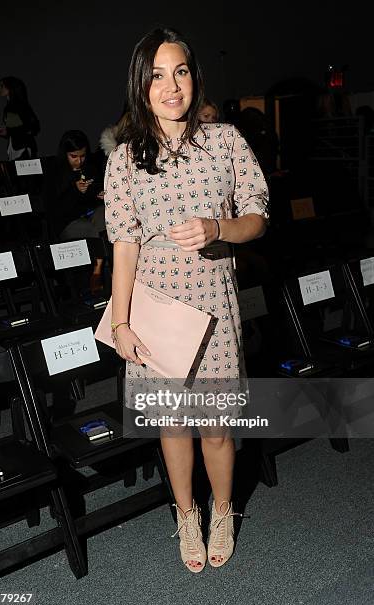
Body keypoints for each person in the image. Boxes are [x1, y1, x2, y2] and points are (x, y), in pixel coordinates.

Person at [104, 27, 268, 573]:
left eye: (180, 71)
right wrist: (121, 322)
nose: (171, 86)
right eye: (156, 74)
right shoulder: (125, 159)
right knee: (174, 428)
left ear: (194, 77)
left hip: (215, 312)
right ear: (140, 84)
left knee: (216, 429)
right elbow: (124, 246)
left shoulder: (225, 141)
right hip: (154, 318)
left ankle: (223, 511)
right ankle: (186, 514)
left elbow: (257, 218)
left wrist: (217, 226)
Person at [43, 129, 107, 290]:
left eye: (83, 156)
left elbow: (93, 194)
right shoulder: (55, 173)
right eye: (74, 156)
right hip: (67, 221)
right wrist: (74, 191)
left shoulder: (89, 168)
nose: (79, 161)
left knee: (105, 215)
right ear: (65, 154)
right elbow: (55, 209)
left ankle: (99, 269)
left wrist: (98, 193)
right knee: (90, 229)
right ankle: (96, 274)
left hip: (89, 214)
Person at [0, 76, 40, 160]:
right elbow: (15, 130)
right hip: (14, 149)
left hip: (23, 148)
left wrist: (8, 131)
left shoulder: (20, 106)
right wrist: (4, 132)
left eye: (2, 86)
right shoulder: (9, 107)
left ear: (10, 88)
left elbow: (33, 127)